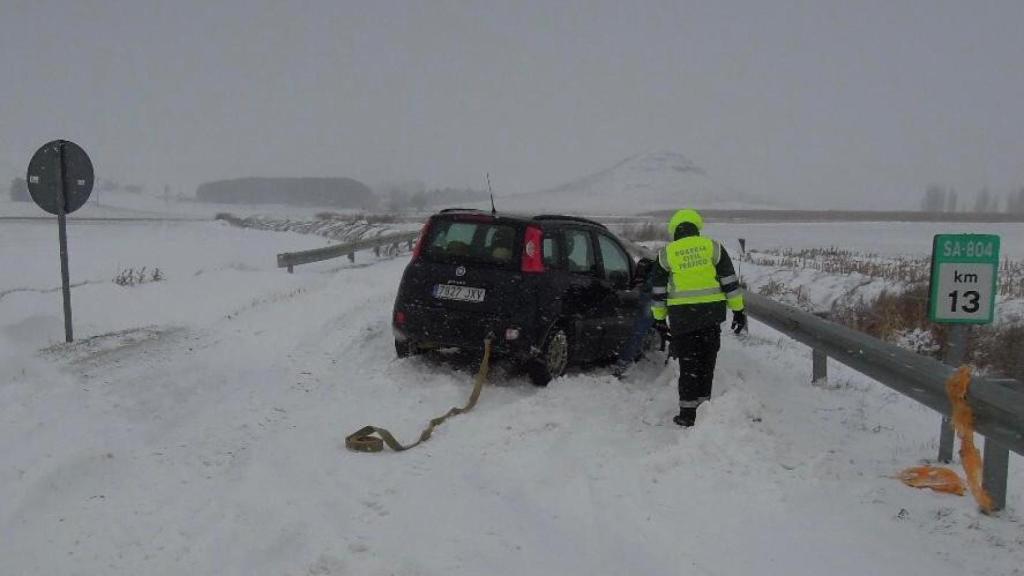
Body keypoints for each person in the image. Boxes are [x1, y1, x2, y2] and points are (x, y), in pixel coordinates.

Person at [650, 209, 746, 427]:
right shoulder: (713, 247)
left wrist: (659, 318)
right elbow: (730, 282)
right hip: (711, 316)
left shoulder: (666, 253)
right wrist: (739, 311)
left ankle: (687, 414)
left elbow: (658, 290)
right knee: (707, 362)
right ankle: (705, 409)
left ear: (676, 230)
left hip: (682, 318)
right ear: (696, 229)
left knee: (688, 365)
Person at [613, 256, 658, 378]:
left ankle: (626, 360)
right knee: (640, 329)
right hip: (654, 295)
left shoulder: (669, 255)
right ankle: (624, 362)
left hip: (652, 293)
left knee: (639, 329)